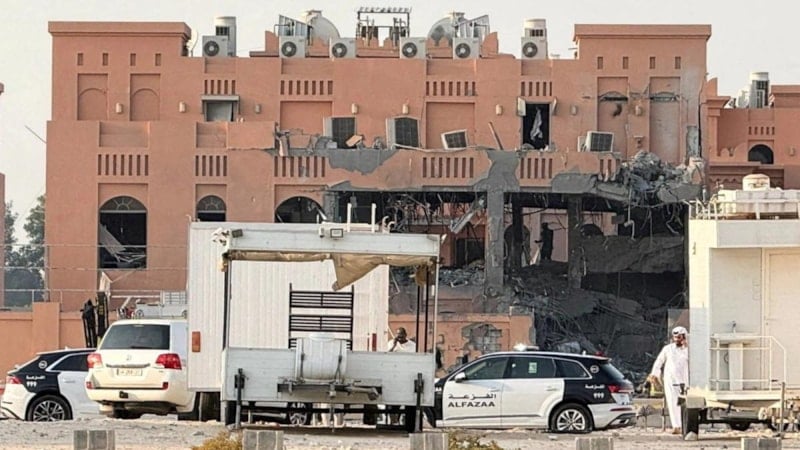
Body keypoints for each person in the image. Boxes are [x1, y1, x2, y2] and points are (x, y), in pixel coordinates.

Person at [648, 326, 689, 435]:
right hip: (671, 380)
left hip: (685, 381)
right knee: (672, 403)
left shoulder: (689, 350)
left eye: (679, 337)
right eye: (675, 337)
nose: (677, 340)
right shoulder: (668, 349)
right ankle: (676, 426)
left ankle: (685, 425)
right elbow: (659, 361)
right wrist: (654, 374)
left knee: (686, 404)